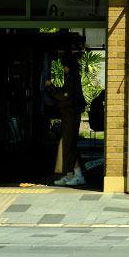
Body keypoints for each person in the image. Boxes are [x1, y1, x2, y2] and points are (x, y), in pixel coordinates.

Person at [45, 55, 86, 187]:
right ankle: (70, 174)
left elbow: (64, 96)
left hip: (71, 115)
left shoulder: (73, 79)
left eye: (65, 66)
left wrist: (51, 87)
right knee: (68, 144)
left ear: (70, 66)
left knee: (69, 144)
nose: (64, 68)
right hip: (69, 114)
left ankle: (77, 175)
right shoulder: (72, 78)